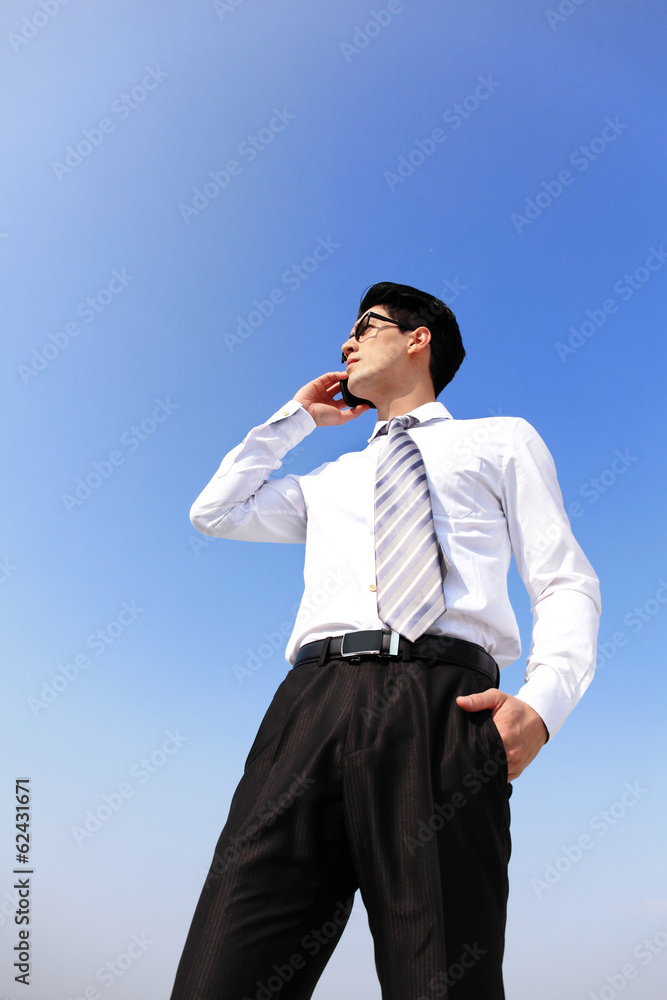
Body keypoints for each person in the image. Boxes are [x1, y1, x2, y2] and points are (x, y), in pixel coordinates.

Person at [169, 281, 600, 1000]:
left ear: (417, 338)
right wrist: (297, 420)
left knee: (440, 978)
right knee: (223, 971)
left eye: (365, 326)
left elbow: (563, 579)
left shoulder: (501, 440)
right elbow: (216, 511)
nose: (346, 342)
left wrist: (544, 704)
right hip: (310, 707)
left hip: (444, 709)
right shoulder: (328, 479)